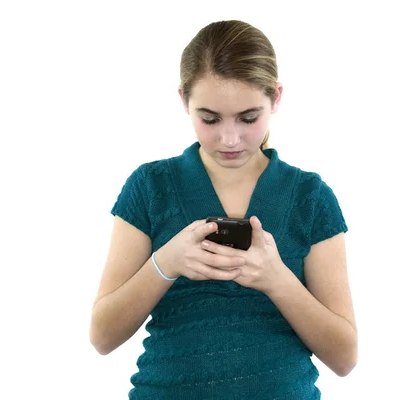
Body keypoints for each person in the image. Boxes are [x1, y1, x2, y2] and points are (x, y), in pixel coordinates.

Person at [89, 19, 358, 399]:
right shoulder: (151, 187)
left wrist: (276, 279)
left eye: (249, 118)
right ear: (183, 100)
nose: (230, 138)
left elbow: (345, 358)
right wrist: (165, 263)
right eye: (209, 119)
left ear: (276, 98)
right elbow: (102, 336)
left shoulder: (310, 198)